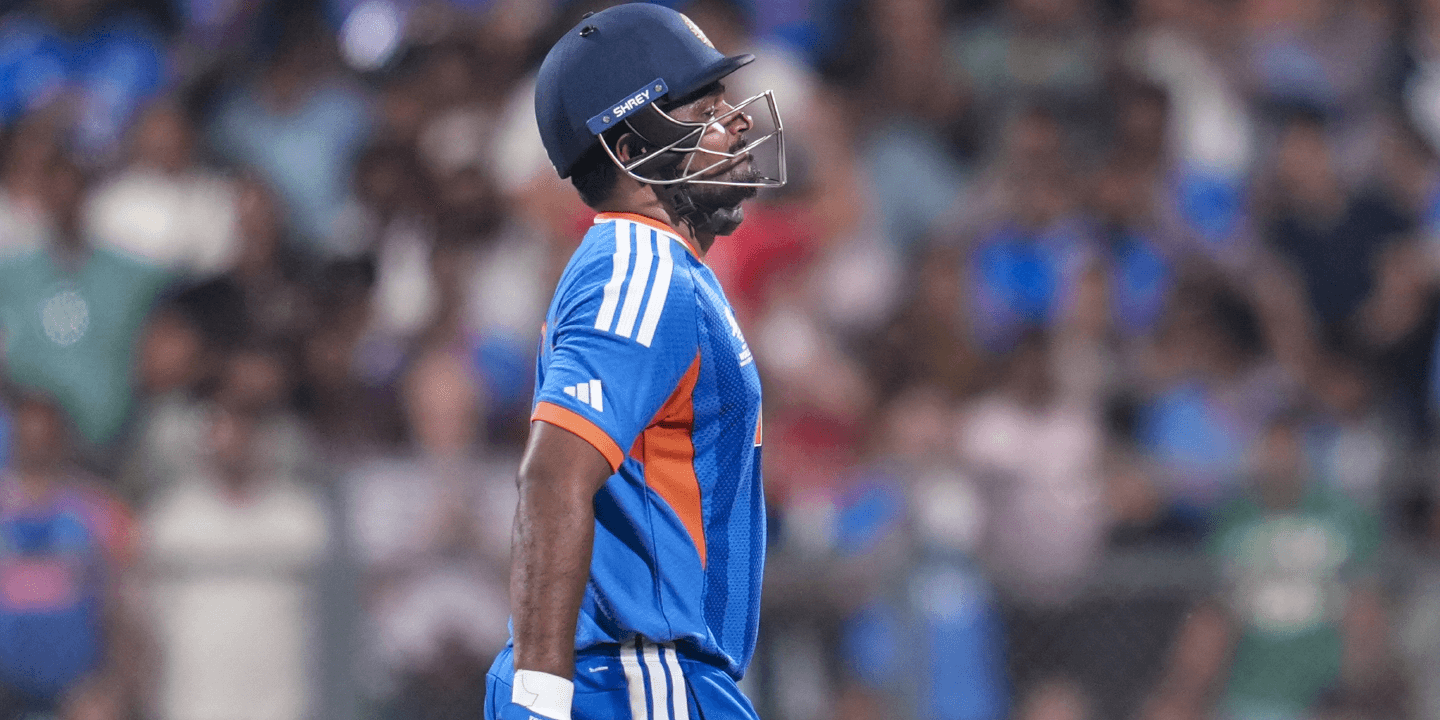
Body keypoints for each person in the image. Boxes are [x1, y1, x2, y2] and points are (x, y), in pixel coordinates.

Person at [490, 4, 785, 720]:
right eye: (704, 107)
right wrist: (541, 700)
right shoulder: (639, 263)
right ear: (629, 149)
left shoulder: (655, 265)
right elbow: (553, 475)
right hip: (629, 679)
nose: (736, 121)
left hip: (639, 677)